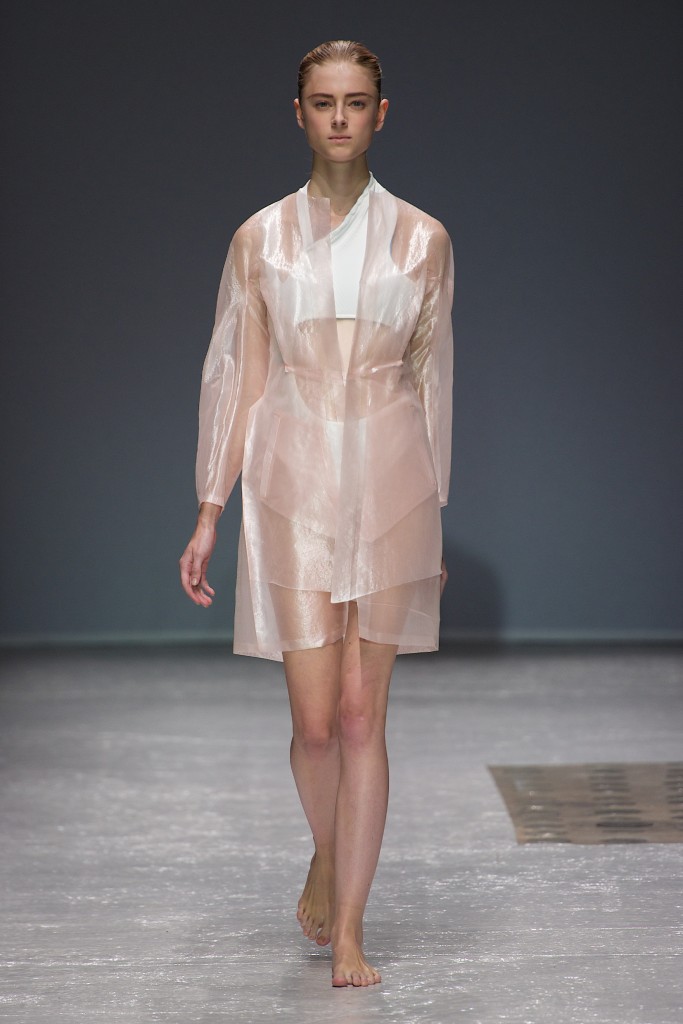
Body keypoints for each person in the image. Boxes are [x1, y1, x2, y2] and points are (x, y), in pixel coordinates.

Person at [179, 39, 453, 988]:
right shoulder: (258, 240)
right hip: (290, 484)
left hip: (391, 481)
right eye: (324, 101)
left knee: (360, 714)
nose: (340, 117)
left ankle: (349, 931)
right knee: (313, 724)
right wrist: (210, 508)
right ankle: (328, 854)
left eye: (357, 101)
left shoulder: (422, 239)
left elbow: (432, 380)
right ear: (297, 113)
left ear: (382, 112)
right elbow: (237, 377)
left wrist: (436, 507)